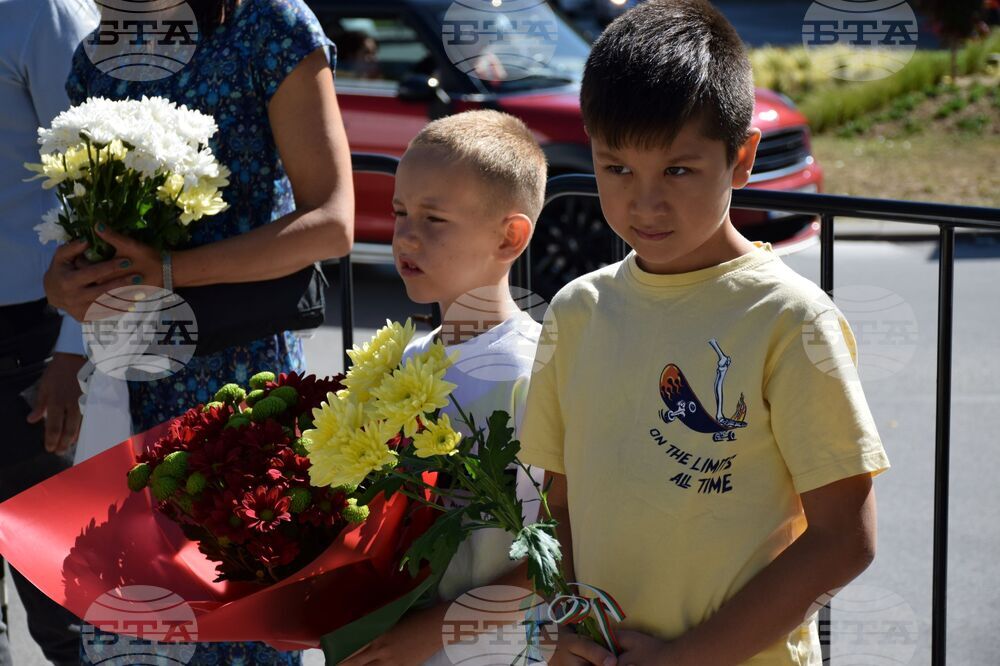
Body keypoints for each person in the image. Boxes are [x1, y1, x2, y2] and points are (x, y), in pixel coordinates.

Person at [517, 1, 892, 664]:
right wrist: (566, 625)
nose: (645, 202)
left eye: (679, 170)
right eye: (616, 168)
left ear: (742, 157)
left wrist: (686, 657)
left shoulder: (791, 319)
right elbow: (557, 506)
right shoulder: (574, 313)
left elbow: (844, 538)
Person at [42, 0, 354, 663]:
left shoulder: (271, 24)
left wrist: (172, 271)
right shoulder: (96, 53)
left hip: (241, 389)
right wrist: (64, 286)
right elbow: (90, 230)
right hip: (129, 388)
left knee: (241, 634)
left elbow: (332, 221)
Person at [340, 110, 549, 665]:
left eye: (434, 219)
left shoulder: (528, 373)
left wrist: (435, 633)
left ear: (510, 236)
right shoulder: (408, 357)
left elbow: (563, 549)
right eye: (400, 211)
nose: (405, 234)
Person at [0, 0, 99, 663]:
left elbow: (100, 185)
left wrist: (72, 354)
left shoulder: (44, 11)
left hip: (27, 342)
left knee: (62, 599)